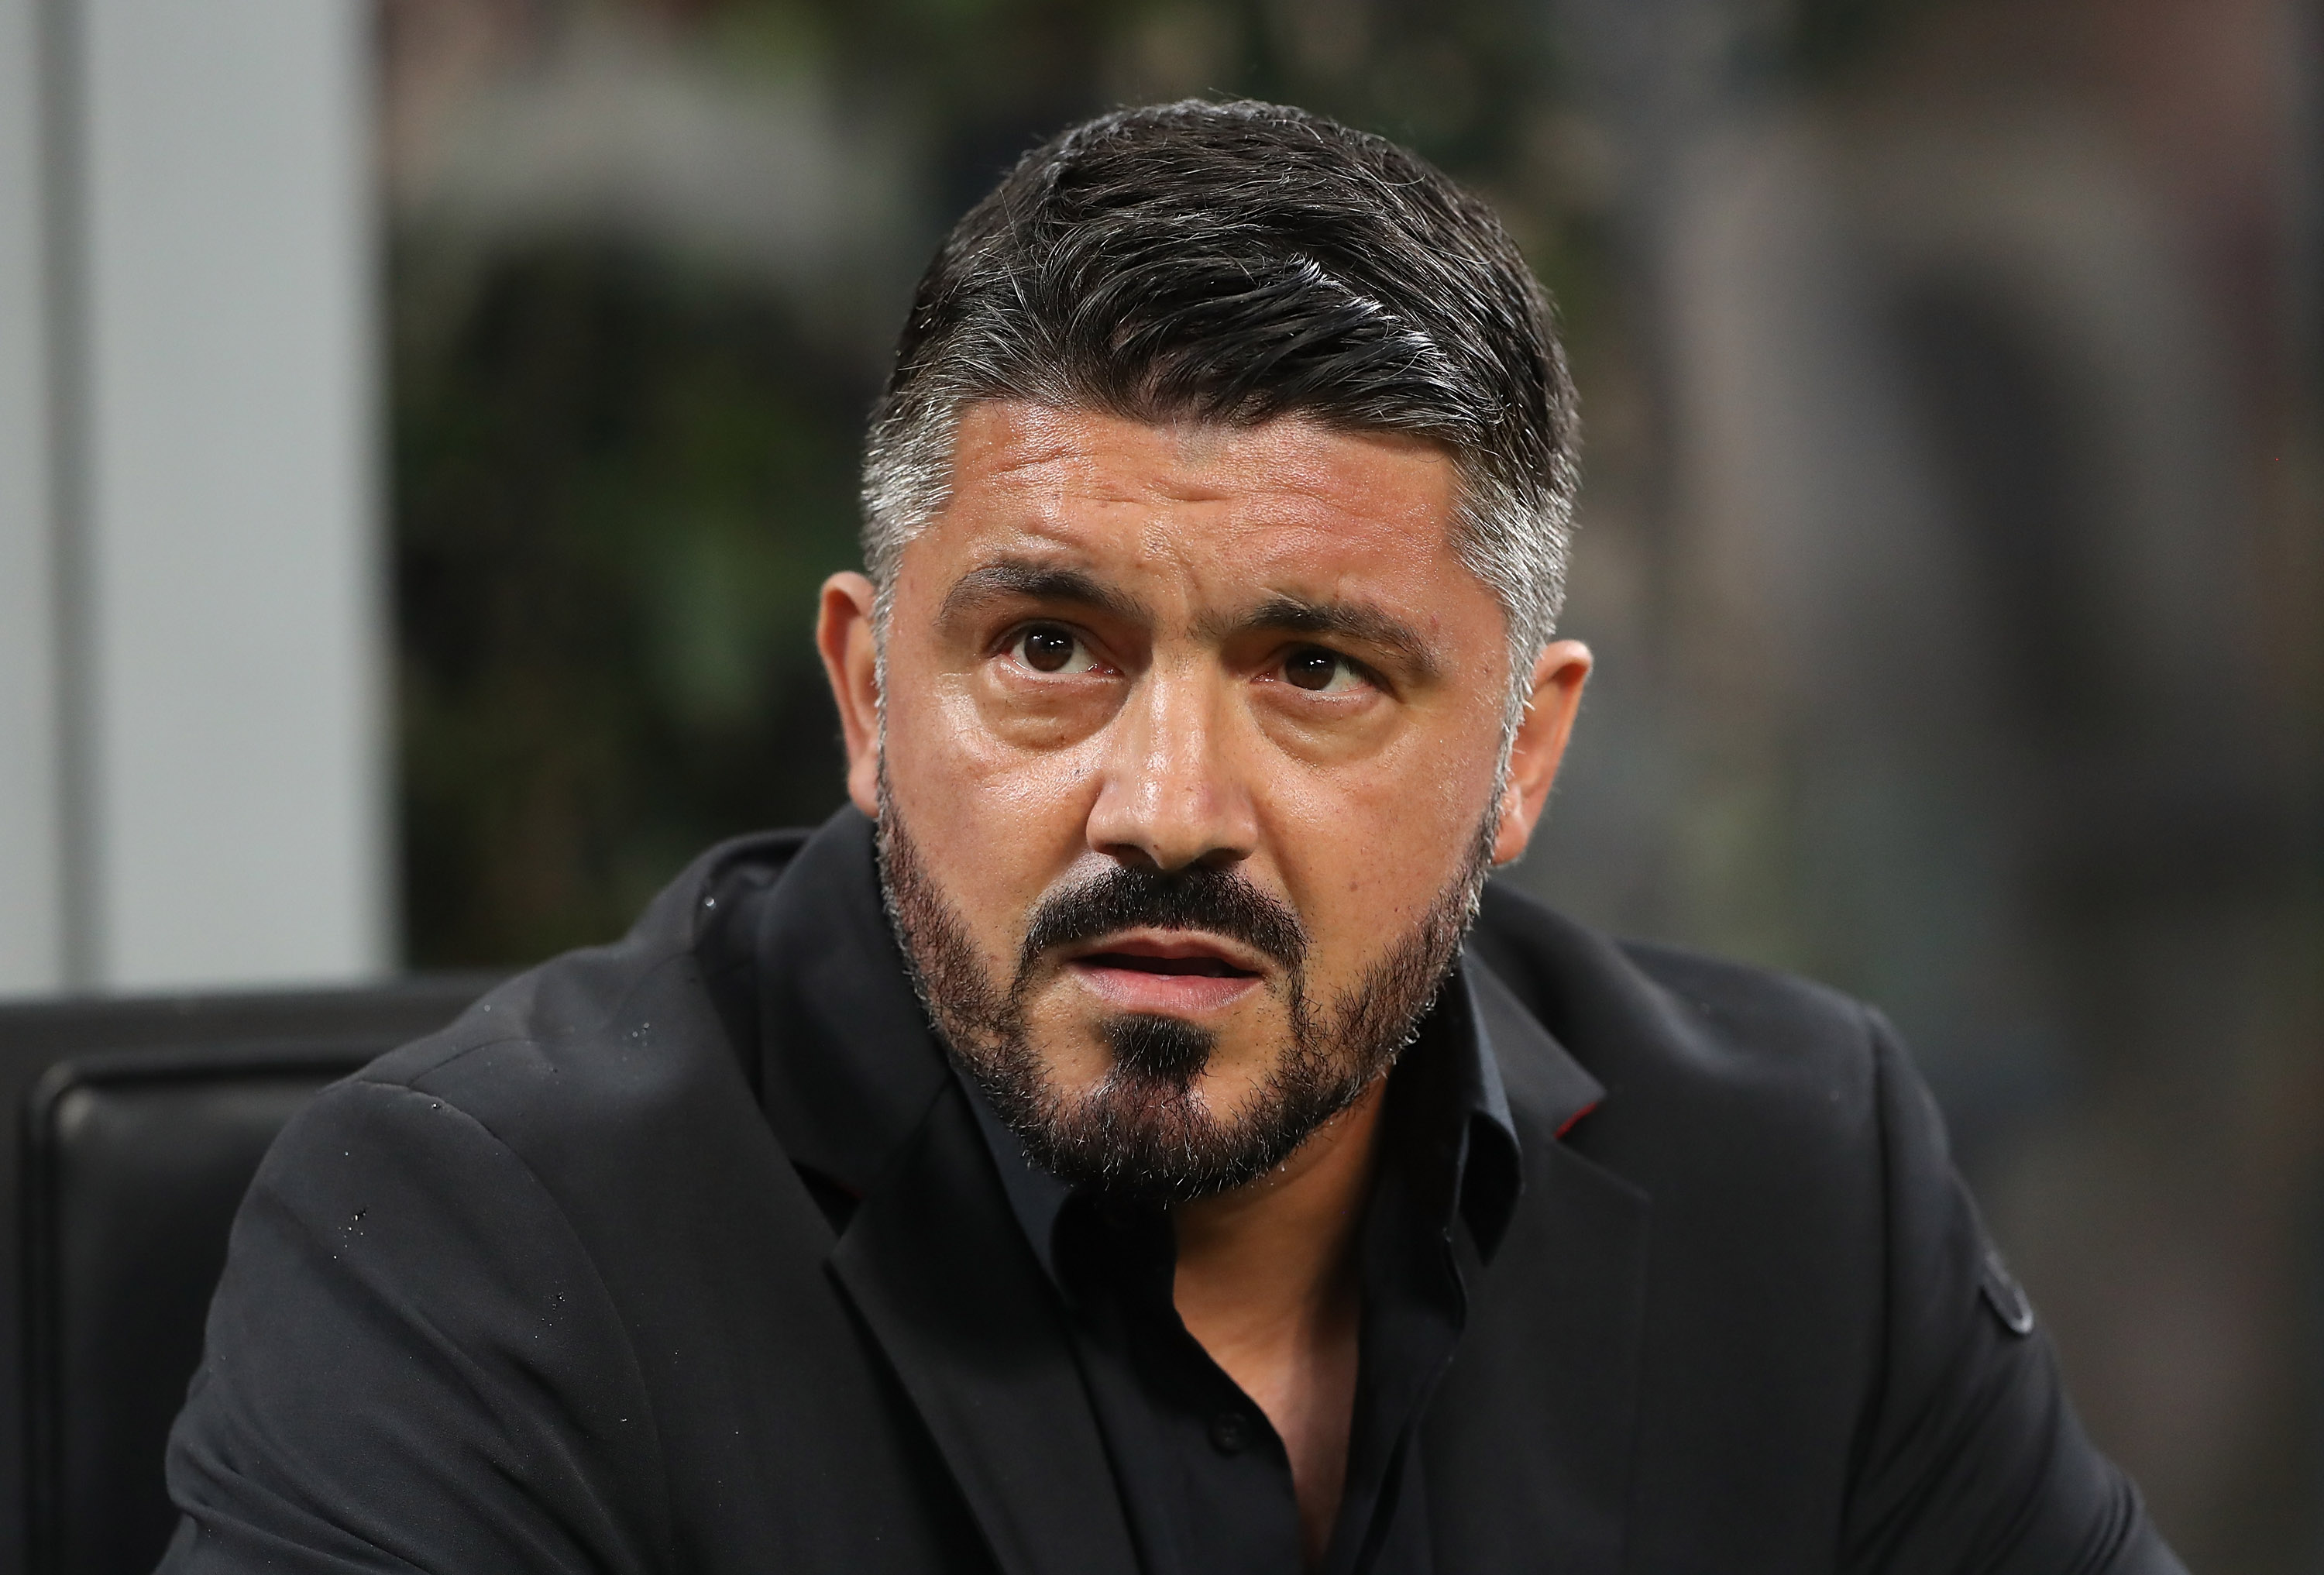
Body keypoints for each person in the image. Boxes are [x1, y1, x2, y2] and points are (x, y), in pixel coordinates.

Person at [159, 101, 2185, 1575]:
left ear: (1521, 751)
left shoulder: (1799, 1178)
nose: (1167, 807)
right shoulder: (482, 1245)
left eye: (1315, 669)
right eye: (1050, 647)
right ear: (869, 697)